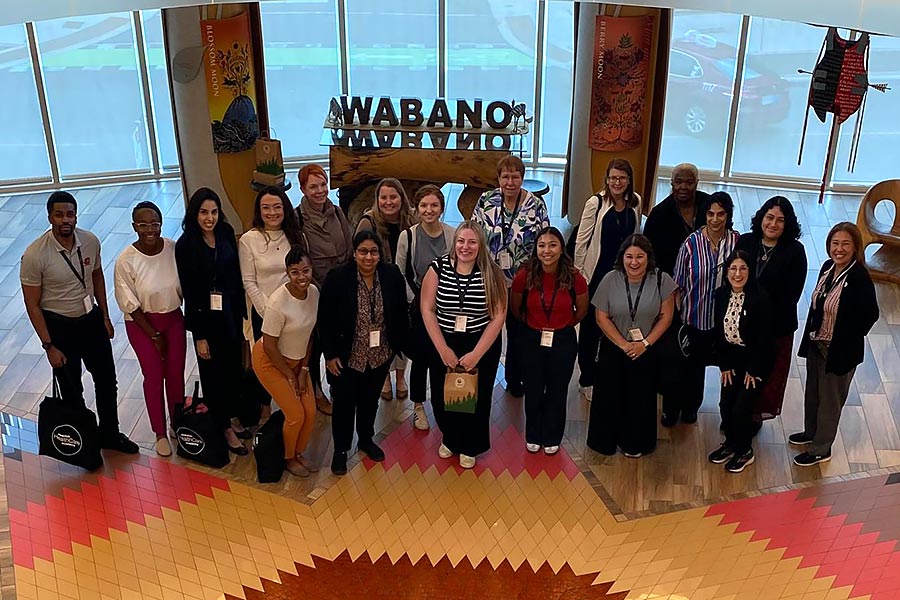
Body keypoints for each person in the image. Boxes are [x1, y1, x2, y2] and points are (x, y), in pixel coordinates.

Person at [20, 191, 139, 454]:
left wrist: (105, 316)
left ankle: (110, 433)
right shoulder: (34, 255)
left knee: (107, 381)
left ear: (76, 215)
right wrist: (48, 345)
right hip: (59, 328)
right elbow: (32, 305)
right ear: (50, 216)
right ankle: (84, 439)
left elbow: (97, 276)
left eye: (70, 214)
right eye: (59, 214)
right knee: (72, 389)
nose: (66, 219)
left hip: (91, 321)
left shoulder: (90, 241)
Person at [318, 231, 409, 476]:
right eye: (363, 251)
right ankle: (341, 450)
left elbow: (400, 314)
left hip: (379, 355)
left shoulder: (391, 276)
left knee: (370, 402)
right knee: (344, 406)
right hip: (346, 358)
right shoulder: (338, 278)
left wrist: (398, 347)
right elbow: (324, 320)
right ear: (354, 253)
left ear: (380, 254)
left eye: (374, 252)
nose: (368, 257)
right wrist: (330, 355)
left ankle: (366, 440)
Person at [791, 223, 878, 467]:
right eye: (835, 243)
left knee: (830, 401)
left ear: (855, 248)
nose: (839, 249)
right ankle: (810, 434)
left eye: (845, 244)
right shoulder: (828, 267)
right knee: (813, 394)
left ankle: (821, 448)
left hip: (839, 352)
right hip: (817, 343)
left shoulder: (860, 278)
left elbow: (871, 314)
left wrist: (847, 337)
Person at [420, 222, 507, 469]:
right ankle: (451, 438)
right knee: (443, 395)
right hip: (444, 339)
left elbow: (499, 315)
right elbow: (427, 309)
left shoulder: (492, 271)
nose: (465, 247)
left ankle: (470, 444)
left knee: (475, 399)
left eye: (471, 242)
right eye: (461, 241)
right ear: (454, 242)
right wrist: (443, 349)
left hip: (480, 340)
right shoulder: (438, 268)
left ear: (480, 245)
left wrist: (476, 354)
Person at [175, 188, 250, 456]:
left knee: (233, 371)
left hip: (229, 312)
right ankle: (223, 426)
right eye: (204, 212)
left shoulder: (226, 234)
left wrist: (243, 316)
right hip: (206, 320)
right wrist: (199, 335)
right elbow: (190, 291)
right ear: (194, 214)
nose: (210, 218)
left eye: (214, 212)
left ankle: (232, 417)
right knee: (213, 376)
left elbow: (236, 277)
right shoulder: (185, 246)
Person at [587, 235, 675, 457]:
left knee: (640, 398)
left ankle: (635, 443)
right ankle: (604, 442)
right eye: (629, 257)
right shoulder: (609, 279)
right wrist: (624, 344)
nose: (634, 262)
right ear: (622, 258)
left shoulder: (662, 280)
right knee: (608, 396)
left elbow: (666, 317)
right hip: (614, 347)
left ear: (648, 258)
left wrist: (644, 343)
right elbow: (601, 317)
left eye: (639, 257)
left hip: (646, 348)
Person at [113, 201, 187, 457]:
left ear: (161, 223)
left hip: (173, 318)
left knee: (176, 373)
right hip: (142, 323)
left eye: (154, 223)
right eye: (143, 224)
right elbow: (129, 304)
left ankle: (178, 422)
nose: (149, 229)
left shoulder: (173, 249)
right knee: (154, 377)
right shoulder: (126, 261)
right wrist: (154, 336)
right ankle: (159, 433)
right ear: (134, 226)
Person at [472, 155, 549, 398]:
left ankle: (515, 379)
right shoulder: (486, 200)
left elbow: (544, 240)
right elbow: (474, 233)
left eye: (515, 176)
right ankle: (481, 376)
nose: (510, 181)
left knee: (518, 332)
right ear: (498, 179)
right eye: (505, 176)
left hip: (522, 281)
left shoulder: (535, 204)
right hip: (490, 278)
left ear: (522, 178)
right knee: (486, 328)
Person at [511, 227, 589, 454]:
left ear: (561, 248)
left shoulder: (575, 277)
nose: (547, 250)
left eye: (553, 245)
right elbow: (516, 308)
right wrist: (534, 324)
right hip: (531, 337)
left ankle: (553, 435)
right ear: (536, 249)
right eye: (542, 245)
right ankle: (533, 434)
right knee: (533, 388)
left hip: (562, 339)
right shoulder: (524, 275)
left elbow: (581, 310)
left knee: (557, 389)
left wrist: (563, 324)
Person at [669, 191, 740, 427]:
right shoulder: (690, 243)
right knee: (685, 366)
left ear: (728, 215)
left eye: (721, 214)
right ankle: (672, 408)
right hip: (693, 316)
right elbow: (677, 282)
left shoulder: (736, 242)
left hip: (724, 321)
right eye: (711, 213)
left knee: (719, 367)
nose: (715, 219)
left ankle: (695, 407)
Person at [573, 159, 642, 397]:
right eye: (613, 177)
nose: (617, 182)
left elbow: (635, 237)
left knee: (618, 325)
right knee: (591, 328)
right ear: (607, 178)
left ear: (629, 180)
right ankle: (587, 377)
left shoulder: (636, 201)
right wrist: (579, 275)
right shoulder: (596, 203)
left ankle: (610, 373)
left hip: (623, 275)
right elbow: (582, 240)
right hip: (597, 274)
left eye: (622, 178)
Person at [736, 196, 807, 426]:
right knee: (738, 374)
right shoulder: (746, 242)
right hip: (741, 325)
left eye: (780, 220)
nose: (773, 224)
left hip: (775, 329)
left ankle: (752, 420)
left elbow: (791, 297)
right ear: (761, 218)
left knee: (765, 380)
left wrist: (761, 325)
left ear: (788, 224)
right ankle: (734, 415)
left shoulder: (795, 252)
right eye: (769, 217)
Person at [251, 246, 320, 476]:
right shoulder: (277, 303)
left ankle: (298, 452)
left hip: (298, 362)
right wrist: (291, 376)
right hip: (271, 361)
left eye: (306, 270)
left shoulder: (314, 294)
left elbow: (310, 335)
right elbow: (269, 346)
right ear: (287, 273)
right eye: (295, 272)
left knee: (310, 411)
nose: (302, 277)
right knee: (295, 414)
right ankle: (287, 457)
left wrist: (303, 370)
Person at [238, 186, 305, 419]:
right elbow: (249, 281)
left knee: (295, 354)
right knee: (265, 360)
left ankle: (296, 396)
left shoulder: (295, 235)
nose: (272, 212)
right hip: (263, 311)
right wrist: (269, 312)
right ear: (259, 210)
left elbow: (299, 273)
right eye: (266, 207)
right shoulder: (249, 240)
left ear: (285, 208)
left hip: (295, 309)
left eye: (277, 207)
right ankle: (265, 405)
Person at [395, 184, 455, 431]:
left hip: (448, 304)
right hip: (419, 305)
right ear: (416, 209)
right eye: (424, 205)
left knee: (447, 354)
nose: (429, 210)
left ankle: (449, 403)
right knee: (421, 358)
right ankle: (418, 406)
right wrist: (417, 300)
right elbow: (399, 272)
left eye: (434, 205)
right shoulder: (407, 236)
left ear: (441, 207)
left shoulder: (452, 234)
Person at [708, 251, 773, 473]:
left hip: (755, 361)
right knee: (725, 405)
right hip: (731, 359)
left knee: (741, 408)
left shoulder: (760, 299)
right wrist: (724, 364)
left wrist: (754, 369)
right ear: (727, 272)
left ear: (750, 271)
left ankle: (745, 450)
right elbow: (719, 333)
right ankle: (731, 444)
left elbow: (765, 341)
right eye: (733, 269)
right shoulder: (720, 295)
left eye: (743, 268)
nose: (738, 274)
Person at [297, 164, 353, 416]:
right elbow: (300, 258)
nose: (320, 191)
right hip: (315, 291)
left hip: (341, 289)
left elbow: (350, 247)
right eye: (313, 187)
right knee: (316, 344)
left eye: (323, 185)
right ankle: (315, 391)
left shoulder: (338, 212)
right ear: (303, 189)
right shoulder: (297, 219)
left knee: (339, 340)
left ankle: (337, 386)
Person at [355, 178, 417, 402]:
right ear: (377, 200)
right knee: (380, 333)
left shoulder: (412, 219)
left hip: (404, 286)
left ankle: (401, 376)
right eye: (383, 197)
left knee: (402, 331)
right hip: (377, 287)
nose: (388, 202)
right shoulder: (367, 222)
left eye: (393, 197)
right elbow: (359, 256)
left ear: (402, 197)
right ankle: (384, 377)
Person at [642, 163, 711, 276]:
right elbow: (648, 252)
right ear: (672, 183)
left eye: (689, 183)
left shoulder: (709, 204)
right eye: (678, 182)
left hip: (706, 276)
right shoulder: (658, 214)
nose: (683, 187)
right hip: (669, 278)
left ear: (696, 183)